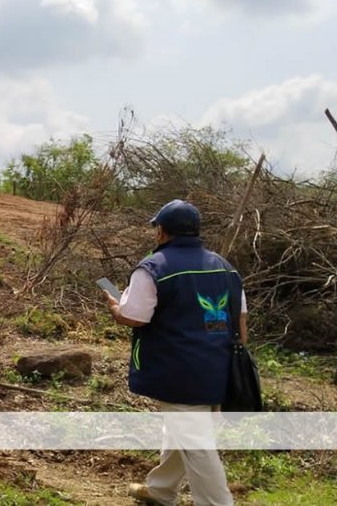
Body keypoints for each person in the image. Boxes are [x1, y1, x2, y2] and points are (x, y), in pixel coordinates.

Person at [103, 199, 247, 506]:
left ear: (161, 231)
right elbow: (241, 318)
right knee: (180, 428)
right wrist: (236, 361)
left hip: (178, 371)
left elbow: (134, 317)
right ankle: (160, 489)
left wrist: (115, 307)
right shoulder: (225, 266)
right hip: (220, 369)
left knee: (196, 444)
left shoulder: (153, 268)